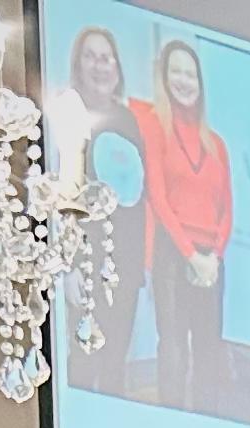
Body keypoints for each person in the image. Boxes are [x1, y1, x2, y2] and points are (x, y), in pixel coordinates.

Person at [135, 38, 232, 416]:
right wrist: (191, 256)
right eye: (175, 71)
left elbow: (227, 209)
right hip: (173, 254)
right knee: (173, 346)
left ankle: (208, 427)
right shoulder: (155, 128)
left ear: (200, 83)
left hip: (212, 261)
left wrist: (213, 258)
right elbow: (157, 198)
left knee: (209, 348)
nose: (183, 80)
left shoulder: (216, 143)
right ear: (164, 77)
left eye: (190, 74)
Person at [60, 23, 146, 381]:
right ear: (78, 65)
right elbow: (60, 194)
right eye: (90, 57)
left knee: (115, 364)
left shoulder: (128, 120)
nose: (99, 66)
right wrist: (70, 265)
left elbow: (138, 198)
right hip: (84, 259)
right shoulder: (66, 114)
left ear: (117, 68)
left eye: (106, 58)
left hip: (125, 262)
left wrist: (139, 265)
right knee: (82, 364)